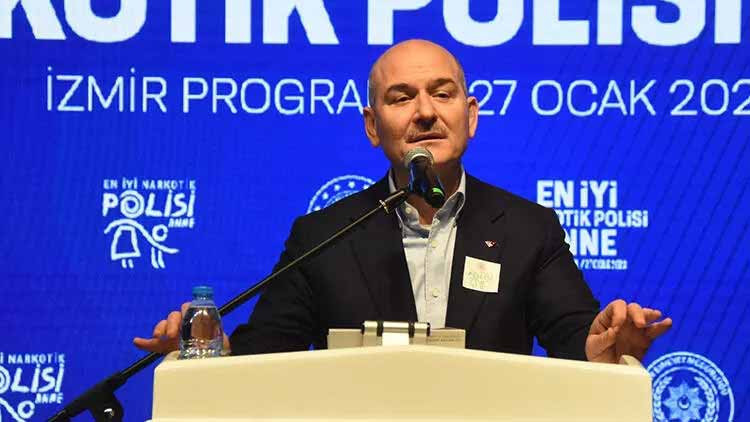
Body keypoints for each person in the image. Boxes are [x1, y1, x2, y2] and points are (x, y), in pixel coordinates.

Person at [134, 39, 672, 363]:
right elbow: (265, 353)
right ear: (373, 127)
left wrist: (605, 345)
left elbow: (575, 336)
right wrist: (210, 349)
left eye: (442, 93)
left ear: (470, 116)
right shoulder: (323, 236)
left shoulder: (528, 229)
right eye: (402, 97)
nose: (426, 112)